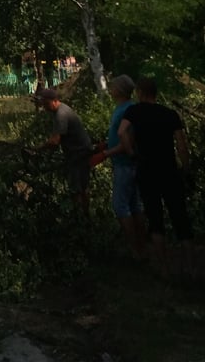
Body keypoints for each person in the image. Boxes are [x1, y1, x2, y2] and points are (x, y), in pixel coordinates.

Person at [118, 77, 194, 275]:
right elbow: (181, 144)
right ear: (155, 92)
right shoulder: (170, 114)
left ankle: (164, 268)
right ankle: (189, 267)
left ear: (140, 93)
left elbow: (122, 132)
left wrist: (131, 153)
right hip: (169, 170)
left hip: (146, 170)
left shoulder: (134, 112)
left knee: (155, 217)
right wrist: (186, 168)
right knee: (180, 216)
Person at [100, 75, 147, 256]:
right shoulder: (123, 108)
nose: (110, 89)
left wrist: (107, 153)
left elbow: (128, 140)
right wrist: (106, 145)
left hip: (125, 164)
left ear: (119, 90)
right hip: (126, 162)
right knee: (135, 205)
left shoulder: (127, 110)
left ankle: (135, 248)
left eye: (113, 86)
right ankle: (142, 246)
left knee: (121, 206)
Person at [37, 87, 93, 214]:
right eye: (43, 104)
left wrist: (39, 149)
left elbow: (55, 141)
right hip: (79, 151)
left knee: (77, 188)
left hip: (79, 153)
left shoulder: (61, 114)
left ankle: (80, 215)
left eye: (46, 104)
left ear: (54, 100)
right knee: (82, 185)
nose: (44, 107)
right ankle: (84, 215)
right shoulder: (61, 110)